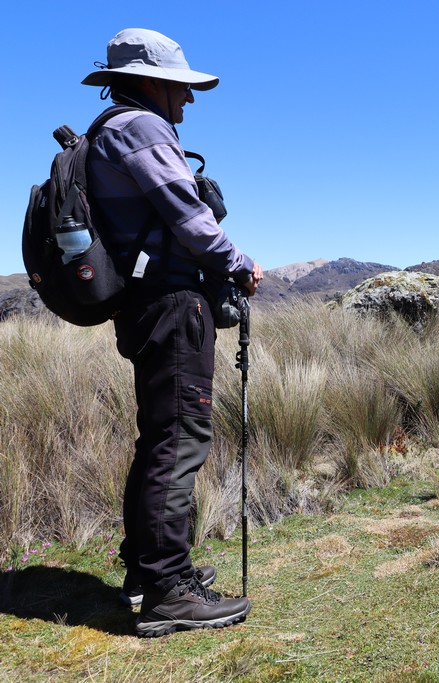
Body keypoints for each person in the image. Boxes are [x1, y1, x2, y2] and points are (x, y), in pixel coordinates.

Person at [82, 28, 262, 637]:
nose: (188, 102)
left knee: (159, 435)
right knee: (180, 438)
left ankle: (148, 570)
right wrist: (240, 263)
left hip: (144, 306)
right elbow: (189, 219)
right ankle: (167, 591)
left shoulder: (106, 131)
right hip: (170, 304)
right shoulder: (140, 128)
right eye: (181, 89)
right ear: (151, 82)